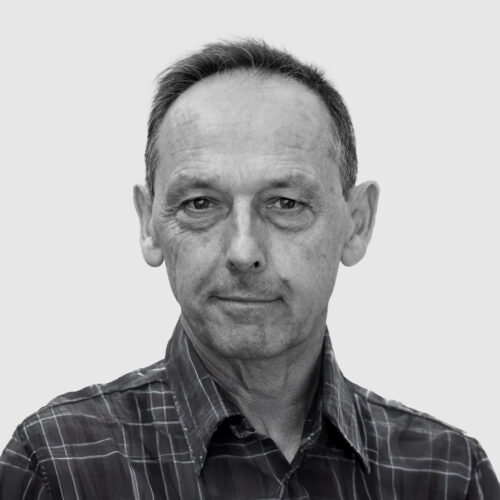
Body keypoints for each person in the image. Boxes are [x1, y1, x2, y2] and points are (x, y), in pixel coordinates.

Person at [0, 39, 498, 500]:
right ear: (149, 225)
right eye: (200, 203)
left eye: (285, 202)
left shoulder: (448, 474)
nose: (243, 251)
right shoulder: (57, 466)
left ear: (357, 223)